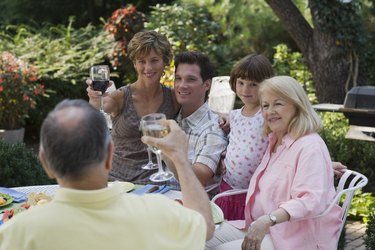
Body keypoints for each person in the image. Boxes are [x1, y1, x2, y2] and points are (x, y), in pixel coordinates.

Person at [0, 99, 214, 250]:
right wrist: (180, 158)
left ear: (45, 163)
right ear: (110, 154)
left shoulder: (17, 233)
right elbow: (205, 226)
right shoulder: (159, 212)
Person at [206, 76, 342, 250]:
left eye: (278, 103)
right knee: (195, 233)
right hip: (264, 227)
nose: (270, 111)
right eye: (265, 105)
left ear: (297, 105)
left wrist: (268, 219)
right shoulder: (276, 141)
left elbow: (311, 200)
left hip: (295, 237)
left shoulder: (310, 145)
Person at [87, 30, 179, 184]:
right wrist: (95, 98)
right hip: (118, 182)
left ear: (165, 61)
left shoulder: (173, 98)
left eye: (154, 60)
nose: (148, 67)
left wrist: (224, 117)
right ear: (134, 64)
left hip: (156, 183)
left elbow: (197, 109)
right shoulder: (120, 96)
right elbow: (101, 107)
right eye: (141, 61)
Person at [215, 54, 274, 220]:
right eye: (240, 83)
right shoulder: (234, 116)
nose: (245, 90)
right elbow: (233, 142)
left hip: (253, 194)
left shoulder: (267, 116)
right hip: (227, 188)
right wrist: (223, 156)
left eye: (253, 85)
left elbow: (289, 144)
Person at [165, 51, 228, 193]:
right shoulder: (172, 114)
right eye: (178, 78)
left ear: (207, 85)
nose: (182, 85)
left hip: (194, 206)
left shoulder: (213, 129)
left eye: (190, 79)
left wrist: (165, 151)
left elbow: (198, 179)